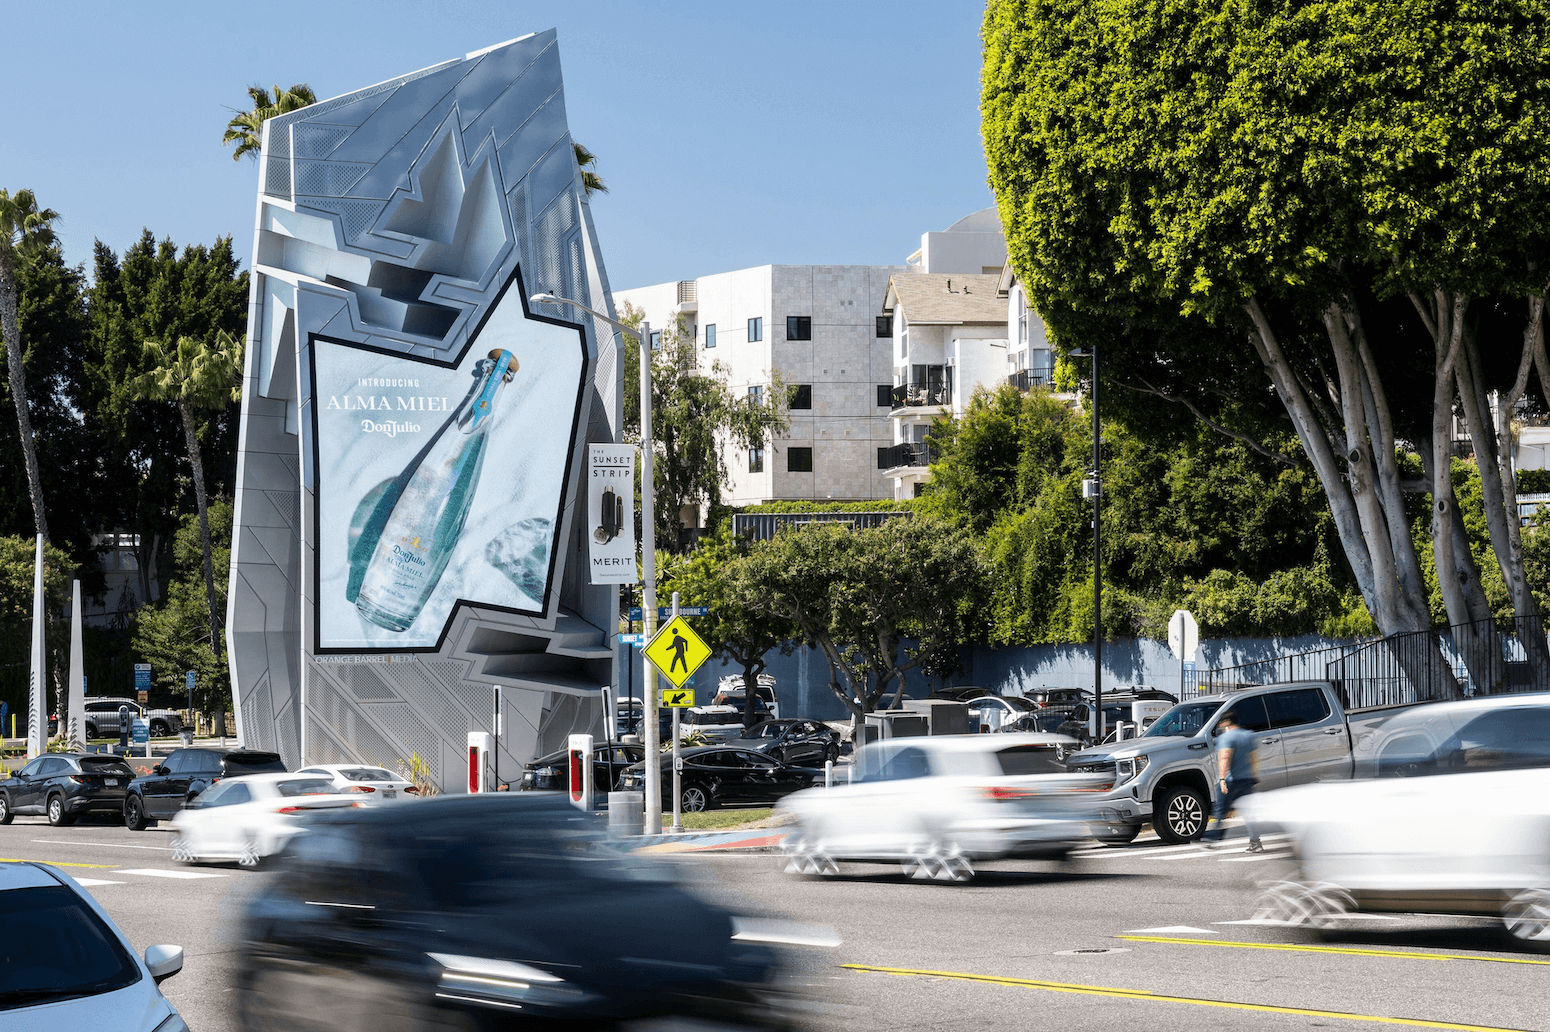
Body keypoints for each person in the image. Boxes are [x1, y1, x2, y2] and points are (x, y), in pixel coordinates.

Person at [1203, 709, 1263, 851]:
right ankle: (1255, 842)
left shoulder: (1226, 737)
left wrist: (1222, 779)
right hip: (1247, 779)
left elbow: (1225, 757)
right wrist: (1252, 775)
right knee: (1248, 812)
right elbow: (1253, 758)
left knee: (1220, 811)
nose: (1220, 726)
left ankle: (1212, 839)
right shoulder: (1248, 735)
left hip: (1231, 781)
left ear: (1226, 722)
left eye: (1221, 723)